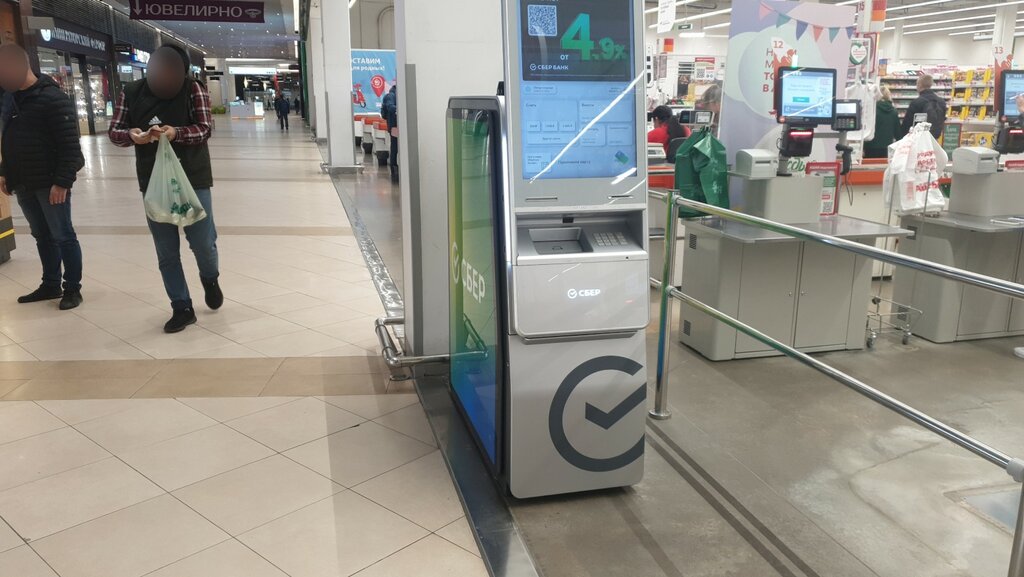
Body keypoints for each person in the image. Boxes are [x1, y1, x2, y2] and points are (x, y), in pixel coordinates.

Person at [109, 45, 223, 333]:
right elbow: (115, 132)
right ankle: (181, 306)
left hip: (193, 178)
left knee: (203, 243)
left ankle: (210, 277)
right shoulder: (131, 92)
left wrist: (175, 133)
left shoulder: (193, 89)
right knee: (166, 250)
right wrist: (134, 136)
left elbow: (205, 128)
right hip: (154, 182)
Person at [0, 44, 85, 310]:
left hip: (50, 184)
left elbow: (71, 148)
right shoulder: (10, 99)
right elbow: (9, 139)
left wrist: (62, 182)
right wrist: (4, 172)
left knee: (63, 235)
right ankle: (50, 284)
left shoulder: (52, 98)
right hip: (24, 182)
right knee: (42, 236)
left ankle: (72, 288)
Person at [901, 74, 946, 140]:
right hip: (934, 138)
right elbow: (942, 120)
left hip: (918, 139)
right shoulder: (941, 102)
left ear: (919, 85)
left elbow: (907, 124)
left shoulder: (916, 103)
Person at [865, 87, 902, 159]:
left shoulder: (872, 110)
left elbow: (866, 128)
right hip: (887, 147)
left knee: (870, 165)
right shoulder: (893, 111)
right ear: (888, 95)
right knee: (884, 165)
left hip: (870, 146)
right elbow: (897, 132)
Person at [381, 85, 399, 180]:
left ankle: (396, 169)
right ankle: (394, 170)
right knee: (395, 149)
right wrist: (401, 109)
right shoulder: (391, 96)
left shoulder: (392, 95)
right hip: (394, 127)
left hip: (395, 126)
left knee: (395, 148)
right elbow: (390, 107)